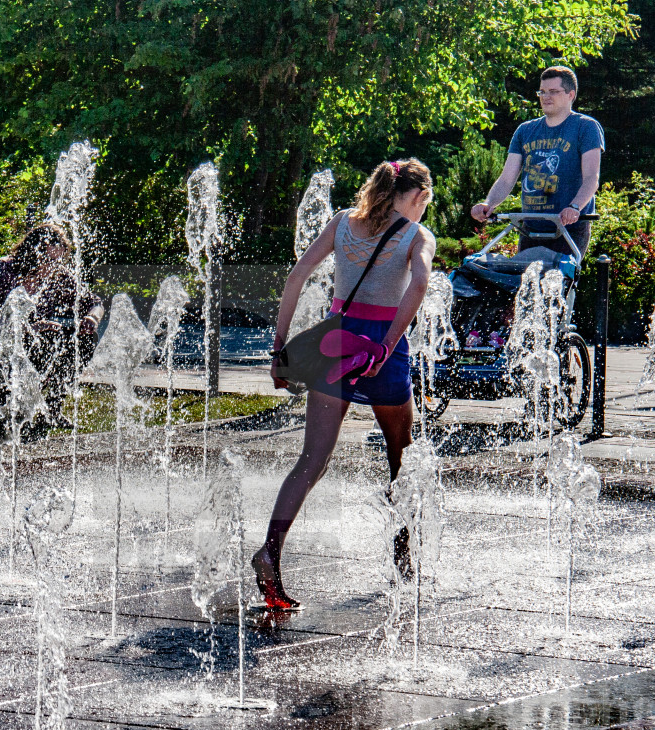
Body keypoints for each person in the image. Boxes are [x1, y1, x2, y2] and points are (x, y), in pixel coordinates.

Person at [255, 159, 437, 609]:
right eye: (424, 204)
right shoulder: (417, 236)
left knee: (310, 462)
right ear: (417, 197)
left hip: (335, 343)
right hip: (380, 351)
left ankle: (270, 550)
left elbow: (296, 277)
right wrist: (387, 345)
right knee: (401, 459)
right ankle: (402, 559)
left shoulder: (342, 223)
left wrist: (280, 347)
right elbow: (419, 285)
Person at [0, 223, 103, 432]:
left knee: (83, 339)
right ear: (32, 253)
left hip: (27, 347)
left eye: (59, 260)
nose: (55, 266)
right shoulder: (3, 270)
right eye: (50, 260)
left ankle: (52, 409)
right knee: (31, 339)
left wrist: (91, 319)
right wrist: (30, 328)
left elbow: (95, 303)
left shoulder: (58, 277)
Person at [470, 66, 605, 257]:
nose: (545, 96)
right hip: (530, 226)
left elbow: (591, 177)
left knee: (560, 283)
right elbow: (507, 179)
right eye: (542, 92)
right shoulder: (525, 131)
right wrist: (488, 203)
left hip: (568, 227)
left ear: (570, 95)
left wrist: (574, 207)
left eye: (553, 91)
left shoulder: (586, 127)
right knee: (522, 283)